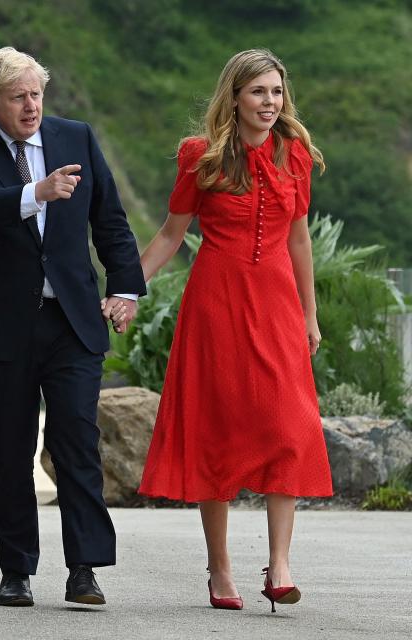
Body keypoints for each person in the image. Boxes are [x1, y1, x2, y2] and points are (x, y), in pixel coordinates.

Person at [0, 47, 146, 607]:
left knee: (77, 438)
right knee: (9, 448)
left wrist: (123, 288)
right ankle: (16, 570)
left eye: (36, 94)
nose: (31, 106)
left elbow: (110, 217)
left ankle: (85, 569)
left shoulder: (75, 136)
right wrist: (37, 192)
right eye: (17, 97)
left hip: (70, 321)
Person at [134, 49, 332, 612]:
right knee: (216, 432)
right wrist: (127, 288)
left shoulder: (293, 154)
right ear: (234, 97)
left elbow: (299, 240)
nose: (270, 103)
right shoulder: (201, 155)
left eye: (276, 92)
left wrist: (309, 316)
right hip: (216, 304)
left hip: (276, 304)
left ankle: (282, 564)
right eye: (258, 93)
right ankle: (220, 570)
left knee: (289, 426)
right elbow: (172, 234)